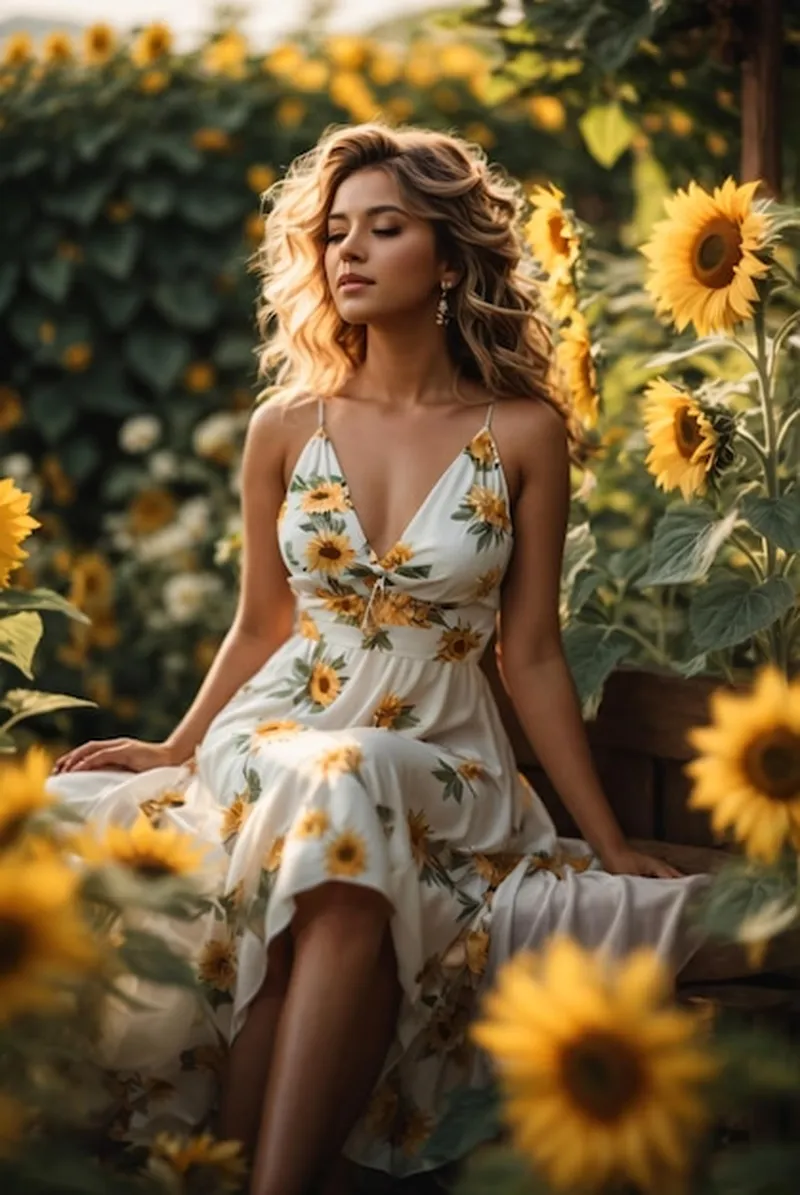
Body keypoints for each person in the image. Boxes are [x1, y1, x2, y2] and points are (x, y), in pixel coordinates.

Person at [48, 123, 703, 1195]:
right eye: (334, 233)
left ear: (447, 261)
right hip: (281, 737)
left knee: (353, 793)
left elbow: (527, 652)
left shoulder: (523, 431)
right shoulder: (283, 427)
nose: (345, 252)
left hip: (438, 755)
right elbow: (261, 625)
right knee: (339, 788)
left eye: (382, 229)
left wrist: (607, 838)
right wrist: (172, 747)